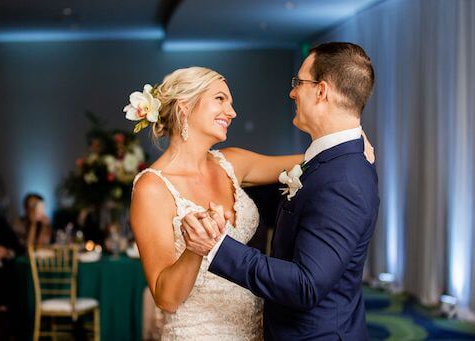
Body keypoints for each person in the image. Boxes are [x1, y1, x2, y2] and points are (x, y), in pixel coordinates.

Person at [128, 64, 375, 339]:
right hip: (200, 331)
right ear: (184, 106)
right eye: (220, 99)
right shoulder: (152, 187)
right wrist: (196, 248)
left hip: (260, 328)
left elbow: (314, 161)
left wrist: (349, 140)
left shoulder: (232, 162)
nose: (232, 112)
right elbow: (166, 299)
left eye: (231, 103)